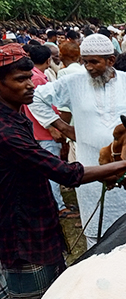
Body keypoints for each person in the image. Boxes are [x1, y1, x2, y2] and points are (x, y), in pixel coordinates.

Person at [0, 44, 126, 299]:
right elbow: (66, 173)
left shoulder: (16, 117)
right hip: (23, 234)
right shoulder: (6, 132)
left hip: (40, 223)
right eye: (20, 80)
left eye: (29, 77)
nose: (30, 85)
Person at [28, 34, 126, 248]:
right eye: (85, 61)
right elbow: (37, 98)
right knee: (96, 235)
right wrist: (62, 127)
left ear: (111, 61)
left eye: (94, 61)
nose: (88, 67)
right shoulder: (73, 82)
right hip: (90, 167)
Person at [21, 45, 73, 219]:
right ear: (48, 60)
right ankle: (58, 207)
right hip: (44, 132)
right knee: (51, 170)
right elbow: (36, 106)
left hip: (39, 131)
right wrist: (54, 126)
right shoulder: (36, 79)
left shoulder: (35, 76)